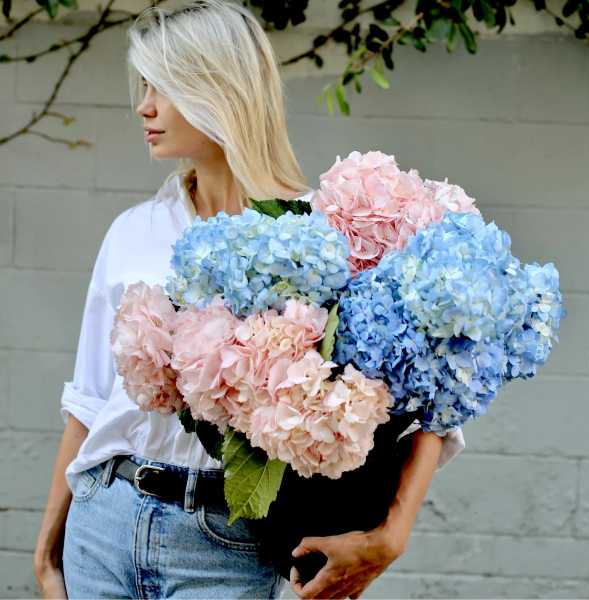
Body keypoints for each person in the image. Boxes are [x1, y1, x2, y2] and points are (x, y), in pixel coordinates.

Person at [33, 1, 466, 598]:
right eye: (144, 87)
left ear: (220, 89)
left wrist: (393, 535)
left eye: (164, 87)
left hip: (226, 545)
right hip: (103, 523)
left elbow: (435, 399)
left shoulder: (324, 232)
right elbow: (88, 398)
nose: (144, 106)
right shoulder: (132, 231)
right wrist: (47, 547)